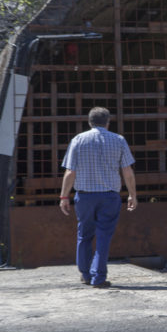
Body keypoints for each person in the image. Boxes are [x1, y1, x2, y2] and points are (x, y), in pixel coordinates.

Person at [59, 107, 138, 288]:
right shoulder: (118, 140)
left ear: (89, 122)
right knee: (103, 236)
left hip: (85, 197)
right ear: (108, 122)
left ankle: (85, 274)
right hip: (109, 197)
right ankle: (98, 277)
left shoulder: (78, 140)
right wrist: (132, 195)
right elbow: (127, 171)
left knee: (84, 234)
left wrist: (64, 196)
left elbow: (70, 171)